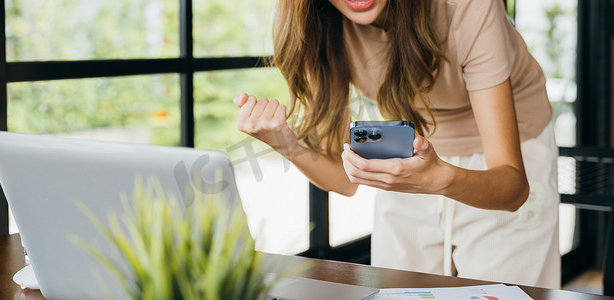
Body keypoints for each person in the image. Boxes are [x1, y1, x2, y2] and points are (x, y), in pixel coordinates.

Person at [234, 0, 559, 289]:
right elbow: (344, 181)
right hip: (413, 149)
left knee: (502, 288)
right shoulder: (322, 20)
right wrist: (285, 143)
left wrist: (441, 178)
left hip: (507, 148)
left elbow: (514, 188)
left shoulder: (466, 6)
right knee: (397, 287)